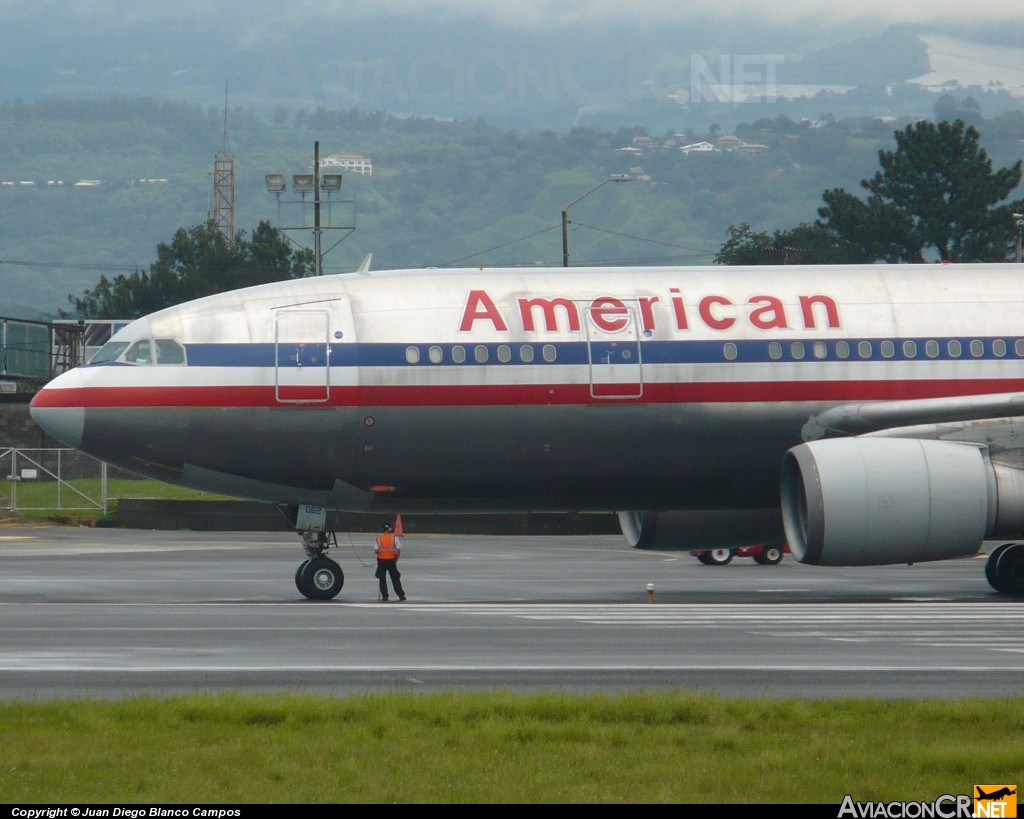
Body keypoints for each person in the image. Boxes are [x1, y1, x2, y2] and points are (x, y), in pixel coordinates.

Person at [374, 522, 406, 602]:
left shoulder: (378, 538)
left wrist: (381, 553)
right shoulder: (394, 538)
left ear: (382, 530)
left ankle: (385, 596)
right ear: (389, 529)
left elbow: (376, 550)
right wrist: (396, 559)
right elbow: (398, 550)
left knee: (382, 579)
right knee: (395, 578)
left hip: (381, 561)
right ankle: (401, 595)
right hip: (391, 561)